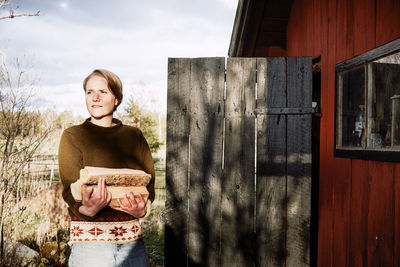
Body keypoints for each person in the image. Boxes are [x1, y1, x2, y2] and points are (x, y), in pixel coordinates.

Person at [58, 69, 155, 267]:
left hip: (131, 241)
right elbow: (69, 190)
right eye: (89, 92)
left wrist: (142, 210)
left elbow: (149, 185)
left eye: (103, 92)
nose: (95, 98)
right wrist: (86, 209)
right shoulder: (73, 136)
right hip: (90, 244)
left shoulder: (134, 136)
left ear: (117, 99)